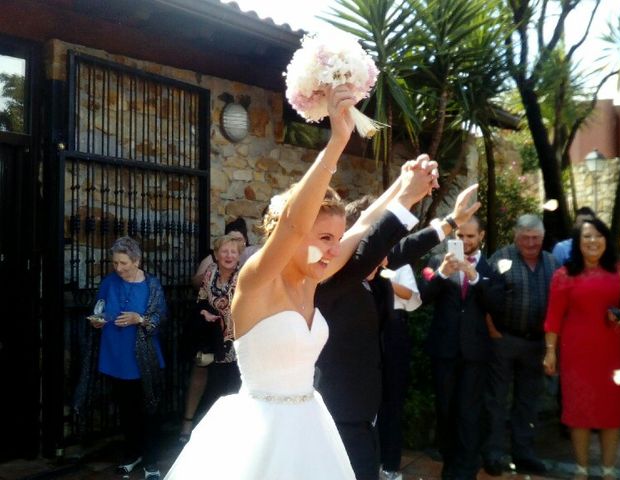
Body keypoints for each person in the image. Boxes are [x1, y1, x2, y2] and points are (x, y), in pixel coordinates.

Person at [165, 85, 437, 479]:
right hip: (260, 435)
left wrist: (404, 188)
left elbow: (362, 226)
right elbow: (294, 224)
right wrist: (337, 141)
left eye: (334, 239)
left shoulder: (315, 276)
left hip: (311, 428)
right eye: (323, 238)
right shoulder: (258, 277)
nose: (332, 250)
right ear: (289, 237)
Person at [315, 184, 480, 480]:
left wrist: (451, 222)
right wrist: (405, 196)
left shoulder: (375, 280)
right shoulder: (332, 282)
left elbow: (399, 252)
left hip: (367, 409)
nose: (384, 257)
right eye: (377, 246)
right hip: (337, 410)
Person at [543, 218, 620, 478]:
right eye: (587, 237)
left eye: (598, 236)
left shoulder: (619, 271)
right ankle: (581, 469)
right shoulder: (564, 274)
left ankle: (608, 470)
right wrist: (550, 351)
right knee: (578, 410)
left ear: (606, 239)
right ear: (578, 244)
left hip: (611, 353)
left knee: (611, 411)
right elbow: (553, 317)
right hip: (576, 353)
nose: (593, 241)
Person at [419, 216, 501, 480]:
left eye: (470, 237)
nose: (465, 242)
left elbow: (497, 304)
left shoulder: (490, 267)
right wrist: (443, 272)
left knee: (469, 410)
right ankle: (449, 463)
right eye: (460, 236)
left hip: (475, 351)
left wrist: (474, 276)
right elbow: (423, 297)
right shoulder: (436, 263)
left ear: (481, 237)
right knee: (446, 408)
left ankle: (466, 469)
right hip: (444, 349)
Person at [483, 214, 558, 476]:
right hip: (504, 340)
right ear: (516, 236)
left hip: (536, 343)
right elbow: (484, 296)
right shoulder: (501, 258)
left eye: (535, 238)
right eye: (525, 238)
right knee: (496, 401)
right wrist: (493, 331)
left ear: (542, 237)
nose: (530, 243)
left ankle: (524, 455)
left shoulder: (552, 262)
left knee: (528, 402)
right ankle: (493, 454)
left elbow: (559, 305)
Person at [88, 236, 167, 480]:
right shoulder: (109, 282)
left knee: (148, 410)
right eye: (115, 263)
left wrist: (139, 319)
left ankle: (151, 460)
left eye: (123, 263)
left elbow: (160, 318)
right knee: (126, 410)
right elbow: (99, 308)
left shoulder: (152, 286)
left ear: (136, 260)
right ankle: (133, 455)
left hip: (142, 358)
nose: (119, 268)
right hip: (114, 354)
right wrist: (97, 321)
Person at [179, 234, 245, 443]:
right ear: (216, 255)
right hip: (214, 341)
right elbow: (201, 301)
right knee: (215, 390)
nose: (228, 255)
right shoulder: (210, 273)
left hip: (237, 342)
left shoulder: (243, 277)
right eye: (224, 251)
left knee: (233, 390)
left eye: (233, 252)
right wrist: (205, 313)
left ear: (239, 256)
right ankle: (212, 436)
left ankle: (231, 438)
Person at [377, 262, 422, 480]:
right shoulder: (359, 258)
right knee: (366, 398)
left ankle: (390, 465)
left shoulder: (401, 263)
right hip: (365, 328)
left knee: (393, 401)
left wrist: (383, 279)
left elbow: (413, 299)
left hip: (394, 331)